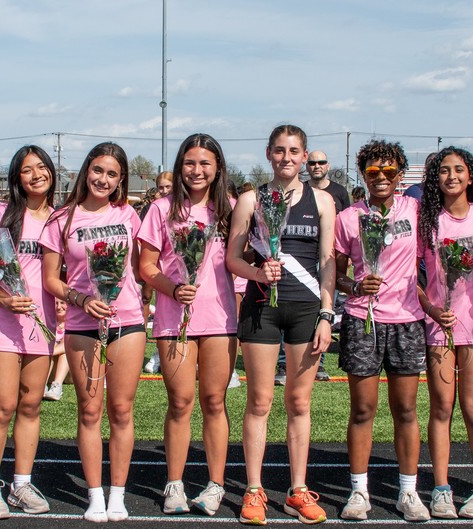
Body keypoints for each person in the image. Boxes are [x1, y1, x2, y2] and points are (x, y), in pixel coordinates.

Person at [226, 124, 336, 525]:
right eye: (279, 151)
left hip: (306, 309)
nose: (286, 158)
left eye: (294, 151)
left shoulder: (322, 200)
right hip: (261, 309)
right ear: (268, 154)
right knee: (259, 402)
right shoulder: (251, 199)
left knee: (299, 402)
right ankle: (254, 489)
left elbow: (327, 261)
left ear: (305, 156)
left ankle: (297, 489)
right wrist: (258, 276)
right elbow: (233, 258)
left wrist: (327, 312)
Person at [40, 142, 147, 523]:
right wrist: (81, 300)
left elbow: (141, 267)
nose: (103, 179)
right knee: (90, 409)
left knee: (121, 409)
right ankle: (95, 494)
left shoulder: (129, 215)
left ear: (121, 180)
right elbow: (51, 279)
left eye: (112, 174)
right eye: (98, 170)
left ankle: (118, 493)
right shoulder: (62, 219)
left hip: (127, 321)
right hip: (83, 324)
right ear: (87, 171)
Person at [138, 133, 237, 516]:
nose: (197, 170)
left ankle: (215, 486)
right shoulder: (162, 209)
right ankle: (175, 485)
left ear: (217, 168)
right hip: (172, 318)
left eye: (205, 163)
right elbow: (146, 266)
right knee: (180, 402)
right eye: (190, 162)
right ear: (181, 166)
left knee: (215, 401)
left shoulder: (229, 208)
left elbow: (240, 262)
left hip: (220, 318)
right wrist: (173, 287)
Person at [333, 139, 431, 522]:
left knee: (405, 409)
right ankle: (359, 492)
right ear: (363, 174)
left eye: (389, 171)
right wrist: (356, 287)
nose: (382, 177)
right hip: (363, 320)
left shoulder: (416, 211)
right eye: (374, 171)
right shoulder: (348, 217)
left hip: (407, 321)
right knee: (362, 410)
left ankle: (409, 492)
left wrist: (434, 306)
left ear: (400, 174)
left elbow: (430, 266)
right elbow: (337, 275)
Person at [0, 145, 58, 519]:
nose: (36, 174)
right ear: (16, 178)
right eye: (27, 170)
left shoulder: (61, 219)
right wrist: (3, 300)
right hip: (3, 325)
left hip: (42, 326)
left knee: (30, 405)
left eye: (42, 167)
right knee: (3, 406)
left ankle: (21, 484)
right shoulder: (2, 215)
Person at [418, 146, 473, 519]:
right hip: (440, 326)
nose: (451, 176)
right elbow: (409, 276)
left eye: (459, 170)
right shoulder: (428, 221)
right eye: (444, 171)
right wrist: (432, 308)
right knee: (441, 408)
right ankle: (442, 488)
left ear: (470, 175)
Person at [306, 150, 349, 381]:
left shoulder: (339, 192)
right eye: (312, 163)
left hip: (330, 256)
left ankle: (319, 361)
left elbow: (344, 226)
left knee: (324, 308)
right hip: (304, 256)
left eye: (320, 162)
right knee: (302, 308)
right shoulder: (302, 190)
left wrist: (344, 256)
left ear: (328, 165)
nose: (316, 166)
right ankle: (284, 362)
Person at [142, 171, 176, 373]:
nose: (164, 191)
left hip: (175, 272)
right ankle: (157, 349)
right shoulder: (153, 208)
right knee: (148, 300)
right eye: (161, 187)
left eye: (168, 187)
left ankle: (163, 351)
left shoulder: (180, 208)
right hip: (155, 268)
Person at [43, 298, 70, 401]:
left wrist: (51, 351)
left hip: (68, 366)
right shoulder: (49, 324)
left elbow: (68, 345)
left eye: (62, 303)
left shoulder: (72, 325)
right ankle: (42, 385)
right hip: (49, 362)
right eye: (56, 304)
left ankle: (57, 386)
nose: (59, 307)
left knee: (65, 352)